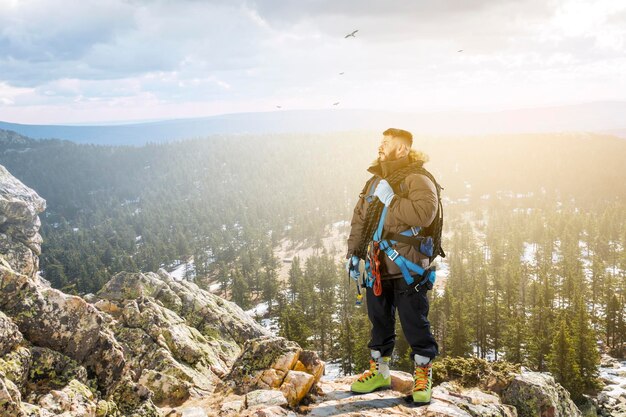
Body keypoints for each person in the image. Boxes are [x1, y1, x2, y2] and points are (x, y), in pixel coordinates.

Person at [345, 128, 439, 404]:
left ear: (402, 149)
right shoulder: (374, 182)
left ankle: (423, 375)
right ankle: (380, 372)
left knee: (414, 322)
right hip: (377, 264)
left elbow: (424, 214)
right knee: (379, 320)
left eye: (386, 144)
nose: (380, 147)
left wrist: (392, 200)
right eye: (380, 142)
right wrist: (354, 254)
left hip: (408, 265)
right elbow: (360, 219)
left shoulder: (419, 179)